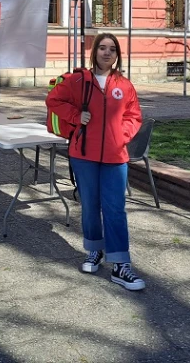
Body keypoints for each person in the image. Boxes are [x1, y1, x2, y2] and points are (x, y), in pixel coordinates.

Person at [46, 32, 145, 290]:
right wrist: (76, 116)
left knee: (115, 209)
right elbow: (53, 100)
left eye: (112, 49)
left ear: (117, 54)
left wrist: (120, 136)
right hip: (83, 156)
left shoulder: (124, 85)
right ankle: (94, 250)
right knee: (90, 206)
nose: (107, 53)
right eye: (102, 48)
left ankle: (121, 265)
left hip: (115, 157)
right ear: (95, 52)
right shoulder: (78, 80)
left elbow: (134, 116)